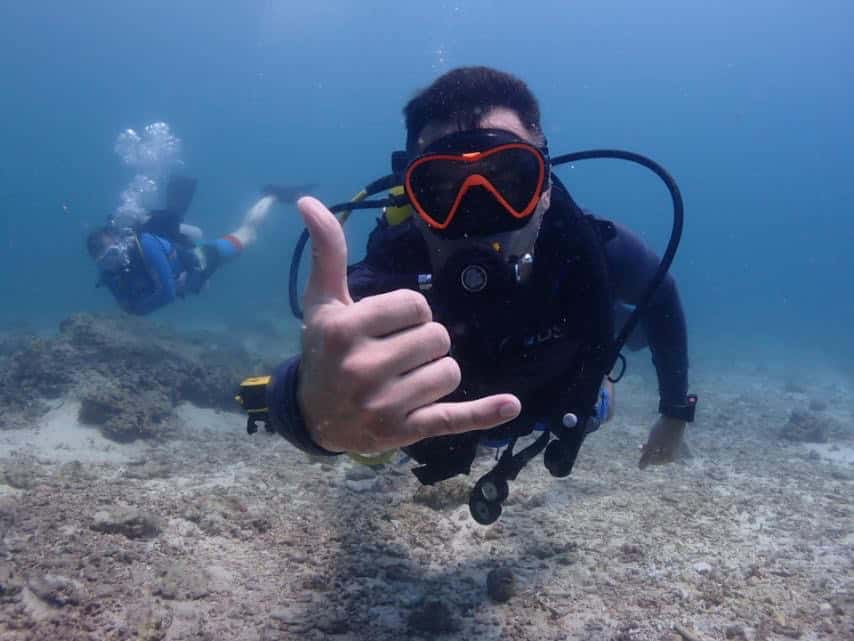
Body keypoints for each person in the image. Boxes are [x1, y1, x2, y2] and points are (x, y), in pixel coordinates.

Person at [249, 67, 696, 517]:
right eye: (442, 189)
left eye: (509, 181)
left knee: (600, 405)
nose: (479, 214)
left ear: (543, 190)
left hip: (554, 401)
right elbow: (328, 366)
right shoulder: (390, 274)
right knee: (374, 445)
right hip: (439, 422)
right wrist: (312, 414)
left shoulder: (595, 254)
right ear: (415, 203)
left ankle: (608, 366)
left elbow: (661, 299)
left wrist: (675, 412)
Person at [87, 178, 308, 316]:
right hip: (186, 268)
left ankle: (272, 195)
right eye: (105, 259)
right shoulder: (107, 271)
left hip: (200, 257)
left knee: (247, 235)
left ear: (120, 242)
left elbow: (167, 293)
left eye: (113, 253)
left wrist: (138, 310)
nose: (112, 261)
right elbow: (125, 303)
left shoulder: (146, 244)